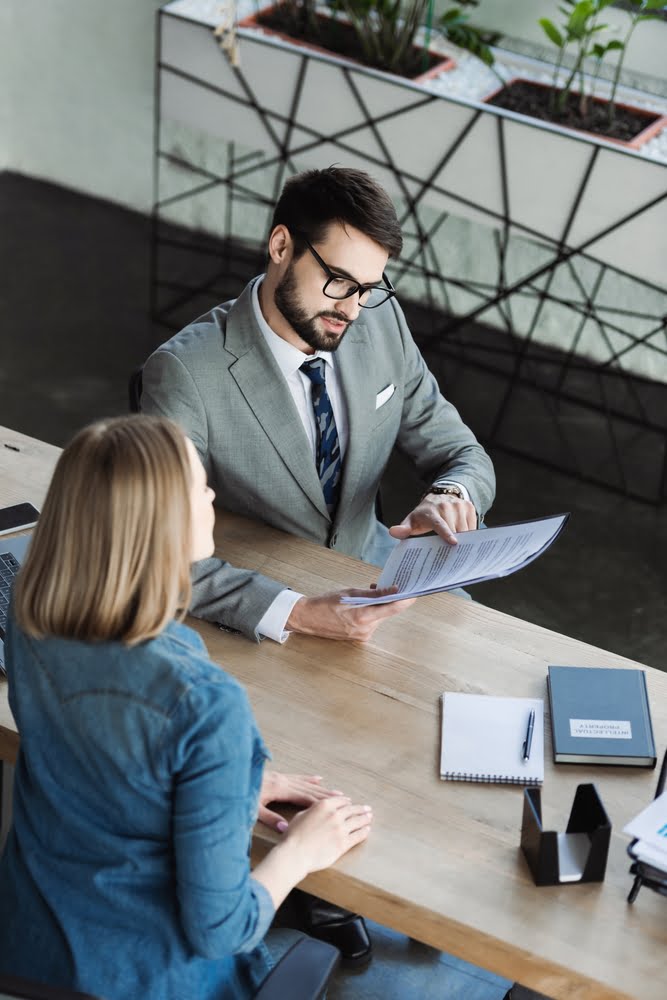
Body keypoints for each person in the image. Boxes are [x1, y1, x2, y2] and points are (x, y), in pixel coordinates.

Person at [0, 415, 373, 1000]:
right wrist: (302, 852)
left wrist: (227, 786)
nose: (212, 496)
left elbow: (102, 769)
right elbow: (221, 930)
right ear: (164, 528)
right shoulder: (204, 704)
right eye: (201, 487)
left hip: (26, 954)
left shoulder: (30, 613)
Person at [142, 166, 495, 646]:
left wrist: (452, 497)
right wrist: (298, 612)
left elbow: (463, 454)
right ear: (281, 246)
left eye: (368, 289)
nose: (351, 309)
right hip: (262, 596)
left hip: (379, 571)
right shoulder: (184, 372)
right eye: (338, 281)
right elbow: (156, 550)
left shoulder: (380, 319)